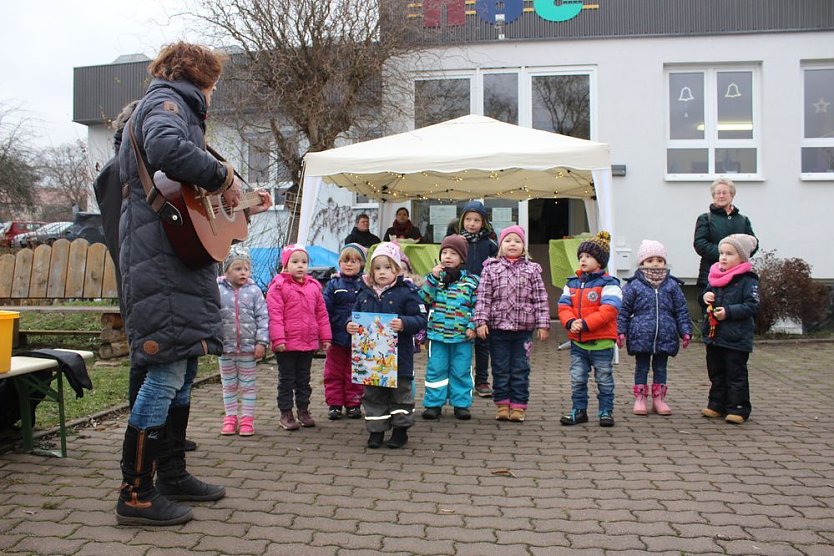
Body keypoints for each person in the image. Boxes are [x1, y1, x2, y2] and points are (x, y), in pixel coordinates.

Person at [115, 42, 272, 526]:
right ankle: (135, 494)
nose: (215, 92)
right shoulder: (167, 103)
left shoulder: (173, 107)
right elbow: (167, 151)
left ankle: (172, 474)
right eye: (215, 84)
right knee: (164, 373)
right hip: (160, 263)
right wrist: (224, 175)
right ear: (202, 78)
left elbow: (190, 198)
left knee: (181, 371)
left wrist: (240, 203)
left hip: (175, 260)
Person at [347, 242, 427, 449]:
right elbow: (354, 315)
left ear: (397, 270)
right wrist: (351, 325)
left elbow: (421, 318)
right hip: (371, 359)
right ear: (371, 271)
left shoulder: (407, 292)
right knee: (373, 395)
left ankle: (400, 431)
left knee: (401, 395)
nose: (382, 272)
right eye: (377, 268)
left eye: (387, 267)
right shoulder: (364, 293)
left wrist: (404, 323)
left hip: (399, 359)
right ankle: (376, 431)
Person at [473, 225, 550, 423]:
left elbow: (540, 298)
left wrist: (543, 324)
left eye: (517, 241)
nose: (512, 244)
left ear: (524, 246)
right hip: (497, 329)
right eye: (507, 241)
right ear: (500, 246)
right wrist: (481, 321)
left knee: (520, 369)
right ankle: (502, 404)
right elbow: (483, 297)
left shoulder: (532, 269)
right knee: (500, 368)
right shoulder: (491, 268)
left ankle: (518, 406)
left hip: (523, 331)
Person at [616, 240, 692, 416]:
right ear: (641, 263)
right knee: (641, 367)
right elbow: (623, 310)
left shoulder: (672, 285)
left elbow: (681, 310)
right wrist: (620, 331)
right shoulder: (634, 285)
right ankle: (640, 398)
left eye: (660, 260)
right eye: (650, 260)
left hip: (666, 335)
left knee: (661, 368)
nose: (655, 264)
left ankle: (659, 399)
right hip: (641, 335)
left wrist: (685, 331)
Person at [558, 231, 622, 428]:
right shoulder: (572, 283)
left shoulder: (610, 284)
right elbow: (563, 306)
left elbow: (609, 309)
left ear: (600, 261)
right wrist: (570, 322)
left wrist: (585, 323)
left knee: (604, 379)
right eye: (581, 256)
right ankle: (579, 410)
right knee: (577, 379)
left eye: (588, 256)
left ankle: (606, 411)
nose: (583, 260)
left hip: (601, 342)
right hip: (578, 343)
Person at [267, 244, 332, 431]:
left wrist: (325, 338)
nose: (300, 265)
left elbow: (321, 314)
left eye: (304, 262)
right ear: (285, 265)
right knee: (287, 380)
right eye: (295, 261)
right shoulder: (278, 286)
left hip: (307, 342)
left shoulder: (314, 287)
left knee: (304, 379)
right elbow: (275, 315)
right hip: (286, 344)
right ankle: (286, 412)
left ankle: (303, 410)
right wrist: (278, 339)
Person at [701, 234, 760, 424]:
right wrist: (705, 297)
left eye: (729, 254)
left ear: (741, 258)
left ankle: (738, 407)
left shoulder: (748, 280)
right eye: (721, 253)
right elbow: (706, 296)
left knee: (736, 374)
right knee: (716, 372)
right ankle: (717, 404)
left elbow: (752, 305)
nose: (723, 257)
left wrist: (729, 312)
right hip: (715, 336)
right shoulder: (715, 276)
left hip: (736, 338)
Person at [419, 235, 479, 421]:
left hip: (462, 336)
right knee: (436, 369)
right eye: (444, 252)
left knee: (461, 370)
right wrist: (432, 279)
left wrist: (473, 325)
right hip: (437, 335)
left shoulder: (472, 281)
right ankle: (433, 404)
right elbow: (423, 299)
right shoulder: (433, 279)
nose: (448, 256)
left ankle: (461, 404)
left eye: (453, 253)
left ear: (462, 258)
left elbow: (479, 306)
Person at [217, 245, 269, 436]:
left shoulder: (254, 291)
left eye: (246, 269)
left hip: (248, 349)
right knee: (229, 385)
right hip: (225, 348)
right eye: (238, 268)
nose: (243, 272)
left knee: (248, 386)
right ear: (226, 271)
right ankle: (230, 418)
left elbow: (263, 318)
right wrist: (214, 340)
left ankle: (247, 419)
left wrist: (261, 342)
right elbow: (211, 315)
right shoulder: (217, 290)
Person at [456, 201, 498, 398]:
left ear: (484, 222)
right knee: (461, 339)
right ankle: (460, 380)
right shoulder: (456, 241)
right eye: (468, 219)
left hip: (483, 297)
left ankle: (482, 380)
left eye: (476, 220)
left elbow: (496, 268)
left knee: (483, 340)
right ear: (462, 221)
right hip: (460, 298)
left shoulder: (490, 244)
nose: (472, 224)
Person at [322, 243, 367, 420]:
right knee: (333, 372)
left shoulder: (366, 285)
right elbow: (325, 310)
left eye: (354, 261)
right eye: (345, 260)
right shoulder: (333, 285)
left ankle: (353, 403)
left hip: (360, 338)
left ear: (362, 264)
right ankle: (334, 404)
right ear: (339, 263)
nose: (349, 264)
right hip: (337, 337)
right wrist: (334, 328)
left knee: (355, 371)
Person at [693, 177, 757, 302]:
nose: (721, 196)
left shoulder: (743, 220)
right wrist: (726, 254)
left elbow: (753, 243)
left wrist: (737, 256)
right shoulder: (705, 219)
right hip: (711, 276)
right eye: (718, 193)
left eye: (725, 192)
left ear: (732, 195)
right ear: (713, 196)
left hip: (738, 279)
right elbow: (700, 244)